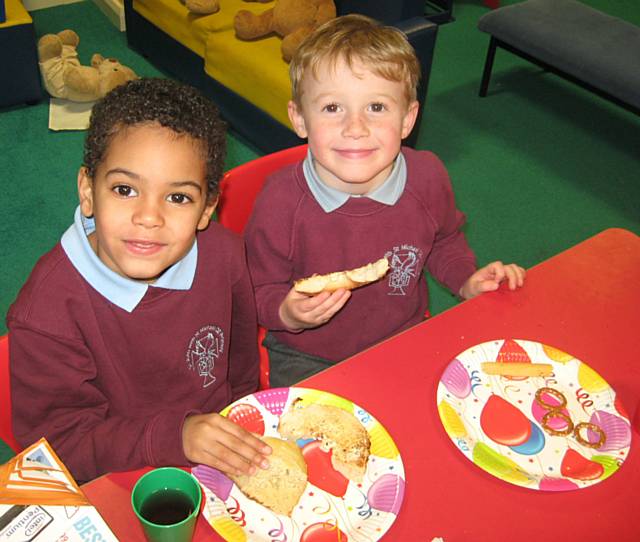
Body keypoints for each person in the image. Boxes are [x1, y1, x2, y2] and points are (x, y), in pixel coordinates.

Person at [7, 78, 271, 482]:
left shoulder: (225, 254)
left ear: (207, 209)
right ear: (88, 190)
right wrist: (174, 437)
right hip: (119, 474)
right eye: (125, 189)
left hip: (217, 449)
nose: (149, 217)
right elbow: (56, 453)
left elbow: (240, 363)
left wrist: (244, 416)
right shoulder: (45, 313)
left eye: (178, 197)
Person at [244, 15, 526, 387]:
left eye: (376, 107)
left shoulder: (427, 177)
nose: (355, 127)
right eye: (332, 108)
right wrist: (287, 312)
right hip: (307, 352)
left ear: (407, 120)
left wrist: (466, 280)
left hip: (404, 333)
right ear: (300, 119)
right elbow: (256, 288)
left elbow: (444, 240)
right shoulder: (280, 202)